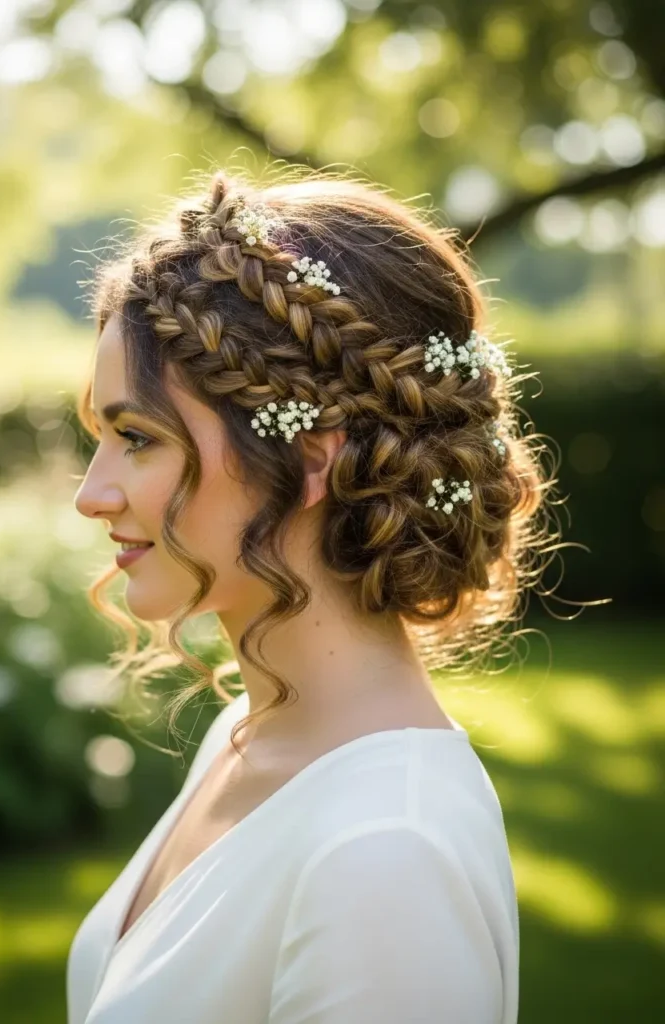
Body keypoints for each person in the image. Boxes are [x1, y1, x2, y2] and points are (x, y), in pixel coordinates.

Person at [68, 166, 551, 1023]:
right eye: (102, 437)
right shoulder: (249, 734)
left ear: (309, 457)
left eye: (136, 437)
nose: (92, 494)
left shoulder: (385, 854)